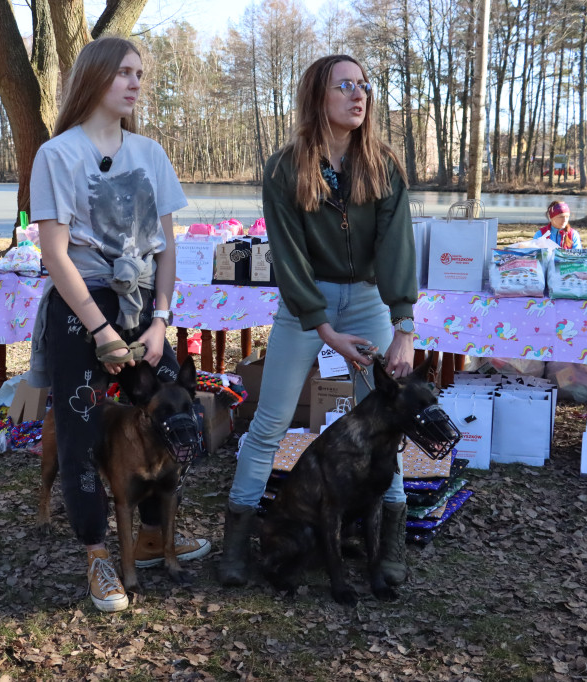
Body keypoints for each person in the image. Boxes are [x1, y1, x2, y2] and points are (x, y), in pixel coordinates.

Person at [218, 54, 419, 589]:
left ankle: (389, 539)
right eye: (344, 85)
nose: (359, 95)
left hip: (370, 301)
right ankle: (237, 538)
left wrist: (403, 326)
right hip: (305, 305)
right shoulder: (285, 168)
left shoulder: (383, 165)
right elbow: (287, 256)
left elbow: (396, 246)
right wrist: (322, 326)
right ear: (317, 97)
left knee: (385, 423)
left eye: (364, 86)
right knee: (270, 421)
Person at [27, 36, 209, 613]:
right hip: (82, 308)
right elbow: (55, 254)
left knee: (173, 409)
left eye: (139, 74)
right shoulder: (57, 155)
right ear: (95, 77)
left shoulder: (150, 154)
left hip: (142, 311)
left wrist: (159, 322)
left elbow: (167, 248)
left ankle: (153, 533)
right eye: (124, 72)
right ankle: (97, 554)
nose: (135, 83)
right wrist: (100, 332)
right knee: (79, 433)